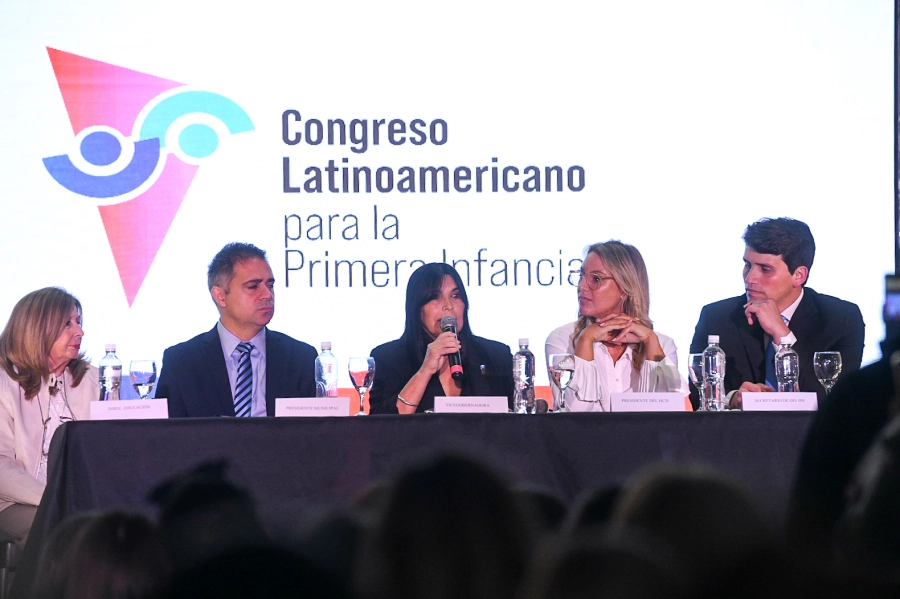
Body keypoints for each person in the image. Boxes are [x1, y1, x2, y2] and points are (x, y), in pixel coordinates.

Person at [688, 217, 864, 409]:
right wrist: (731, 399)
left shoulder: (841, 319)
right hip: (739, 435)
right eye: (748, 265)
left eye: (765, 269)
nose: (750, 278)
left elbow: (834, 400)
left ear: (799, 275)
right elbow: (695, 395)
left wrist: (782, 334)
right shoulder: (716, 317)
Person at [156, 243, 317, 417]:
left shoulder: (302, 358)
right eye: (253, 286)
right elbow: (166, 438)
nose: (268, 295)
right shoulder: (182, 362)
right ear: (220, 296)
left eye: (270, 285)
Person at [0, 288, 99, 544]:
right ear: (37, 329)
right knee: (62, 531)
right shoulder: (3, 381)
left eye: (78, 321)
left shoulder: (93, 378)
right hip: (15, 502)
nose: (80, 331)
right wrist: (58, 498)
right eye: (68, 323)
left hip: (83, 501)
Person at [545, 241, 687, 412]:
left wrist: (650, 342)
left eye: (596, 279)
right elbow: (575, 412)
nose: (581, 286)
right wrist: (586, 340)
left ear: (624, 288)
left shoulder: (661, 343)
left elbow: (670, 412)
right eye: (582, 276)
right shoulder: (562, 339)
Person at [367, 262, 514, 414]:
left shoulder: (496, 355)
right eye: (435, 297)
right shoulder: (388, 357)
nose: (448, 306)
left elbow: (520, 419)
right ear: (417, 308)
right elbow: (383, 425)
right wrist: (425, 371)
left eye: (455, 296)